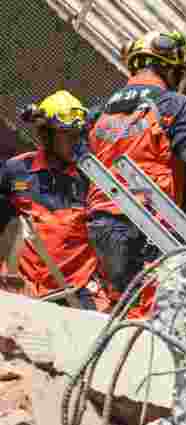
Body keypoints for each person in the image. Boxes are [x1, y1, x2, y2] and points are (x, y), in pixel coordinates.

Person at [83, 30, 186, 303]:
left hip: (98, 222)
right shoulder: (174, 103)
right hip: (147, 226)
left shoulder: (100, 111)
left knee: (110, 302)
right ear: (168, 67)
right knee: (144, 309)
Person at [0, 90, 110, 311]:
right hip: (18, 287)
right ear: (48, 134)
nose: (75, 141)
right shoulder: (18, 170)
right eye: (67, 135)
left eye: (78, 135)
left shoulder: (92, 179)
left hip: (70, 294)